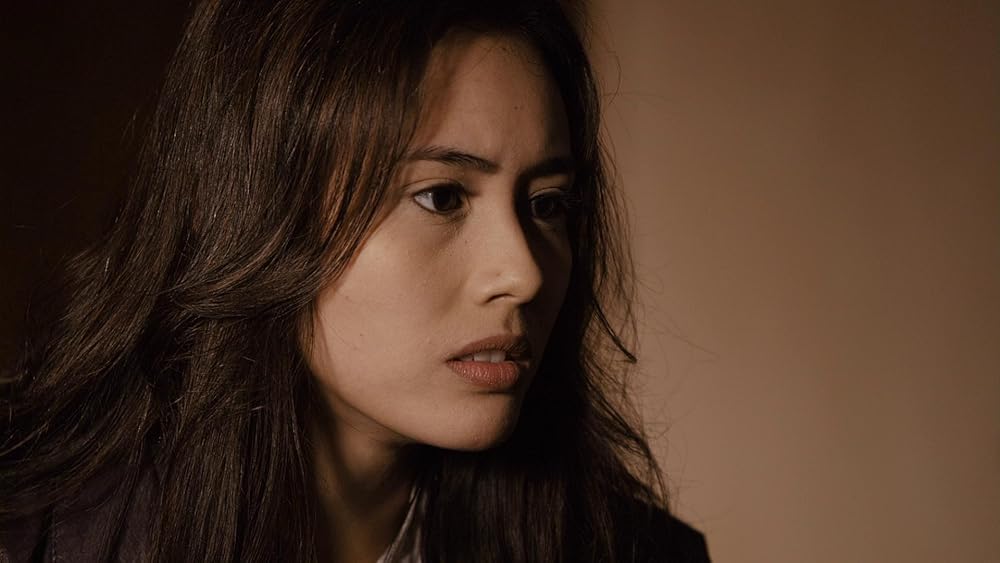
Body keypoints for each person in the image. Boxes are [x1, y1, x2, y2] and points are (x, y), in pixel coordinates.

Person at [0, 1, 709, 561]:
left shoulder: (636, 552)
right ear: (262, 207)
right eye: (441, 196)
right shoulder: (29, 531)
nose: (524, 273)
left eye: (548, 204)